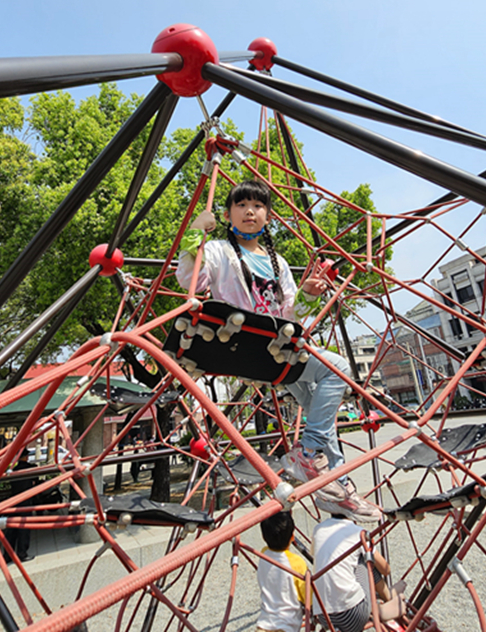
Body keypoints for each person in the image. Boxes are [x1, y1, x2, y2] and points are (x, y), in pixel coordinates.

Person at [176, 179, 380, 522]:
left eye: (257, 206)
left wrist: (308, 294)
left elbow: (290, 316)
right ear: (228, 215)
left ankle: (338, 487)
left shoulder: (278, 263)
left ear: (268, 216)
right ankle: (308, 452)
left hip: (276, 351)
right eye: (241, 205)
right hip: (242, 344)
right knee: (338, 367)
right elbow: (192, 283)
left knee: (320, 406)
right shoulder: (217, 251)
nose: (249, 211)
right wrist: (195, 234)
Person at [312, 515, 405, 632]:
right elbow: (386, 570)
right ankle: (384, 602)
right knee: (366, 558)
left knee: (351, 560)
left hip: (324, 616)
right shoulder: (357, 532)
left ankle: (384, 599)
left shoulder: (318, 529)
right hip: (353, 617)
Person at [256, 511, 307, 632]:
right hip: (287, 625)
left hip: (264, 623)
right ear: (293, 537)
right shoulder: (296, 563)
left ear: (263, 537)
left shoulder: (263, 554)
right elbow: (307, 596)